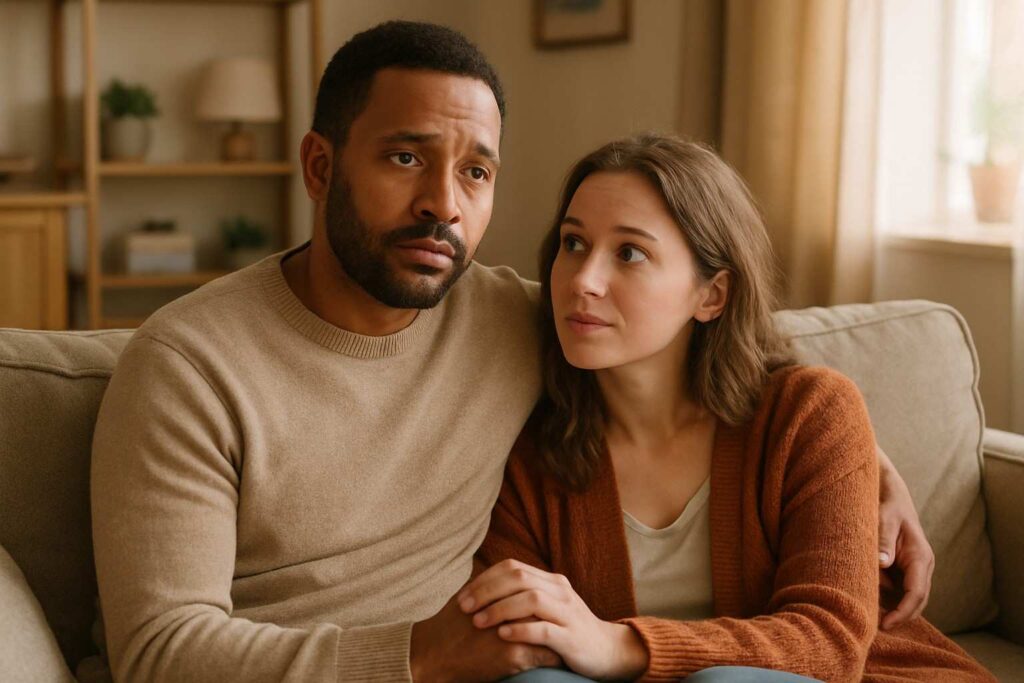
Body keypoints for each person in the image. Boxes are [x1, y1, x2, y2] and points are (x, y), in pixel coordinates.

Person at [91, 20, 934, 683]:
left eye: (477, 173)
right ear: (319, 166)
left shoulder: (506, 319)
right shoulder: (187, 366)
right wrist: (419, 657)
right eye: (405, 156)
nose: (443, 205)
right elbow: (160, 652)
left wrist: (869, 472)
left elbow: (706, 351)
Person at [468, 134, 995, 682]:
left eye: (630, 253)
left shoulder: (809, 414)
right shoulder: (530, 447)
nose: (583, 280)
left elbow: (830, 643)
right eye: (573, 244)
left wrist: (621, 645)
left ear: (712, 295)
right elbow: (512, 627)